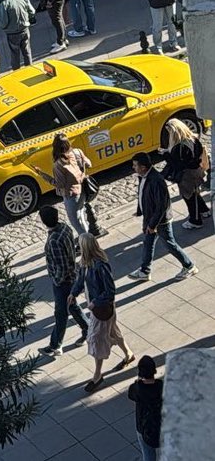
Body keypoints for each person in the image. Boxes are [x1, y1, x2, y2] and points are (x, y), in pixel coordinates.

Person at [70, 234, 135, 393]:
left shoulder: (100, 265)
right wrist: (73, 293)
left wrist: (94, 302)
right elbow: (81, 280)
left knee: (95, 338)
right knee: (113, 331)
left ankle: (97, 375)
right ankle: (128, 354)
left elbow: (110, 291)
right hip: (98, 309)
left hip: (101, 309)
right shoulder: (85, 263)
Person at [128, 151, 197, 282]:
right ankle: (144, 270)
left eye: (135, 165)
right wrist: (140, 210)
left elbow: (161, 206)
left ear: (143, 167)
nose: (133, 167)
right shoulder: (144, 177)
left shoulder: (156, 180)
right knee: (148, 243)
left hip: (160, 221)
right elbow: (143, 195)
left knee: (170, 244)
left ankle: (189, 266)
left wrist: (152, 224)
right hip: (151, 218)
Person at [37, 205, 89, 357]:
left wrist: (57, 281)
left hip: (63, 281)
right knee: (72, 305)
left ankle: (55, 345)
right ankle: (88, 329)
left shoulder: (53, 240)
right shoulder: (65, 228)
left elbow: (61, 265)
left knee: (61, 313)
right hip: (72, 275)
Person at [33, 132, 105, 238]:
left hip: (71, 195)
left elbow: (59, 184)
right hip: (82, 190)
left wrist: (42, 174)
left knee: (76, 222)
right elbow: (89, 163)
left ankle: (87, 243)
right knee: (81, 218)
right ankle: (89, 239)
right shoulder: (76, 152)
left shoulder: (58, 165)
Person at [160, 117, 210, 229]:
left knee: (189, 197)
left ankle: (195, 220)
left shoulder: (179, 147)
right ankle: (204, 210)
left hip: (186, 175)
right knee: (195, 192)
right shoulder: (194, 139)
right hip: (197, 170)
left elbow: (177, 164)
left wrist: (166, 155)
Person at [128, 356, 163, 461]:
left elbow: (131, 395)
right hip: (161, 424)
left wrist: (138, 381)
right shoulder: (160, 385)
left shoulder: (137, 388)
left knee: (148, 454)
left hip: (143, 426)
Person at [0, 0, 35, 70]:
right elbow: (32, 11)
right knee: (27, 51)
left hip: (12, 33)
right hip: (24, 29)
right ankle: (30, 69)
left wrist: (3, 27)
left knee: (14, 54)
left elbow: (3, 21)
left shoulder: (4, 4)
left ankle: (16, 72)